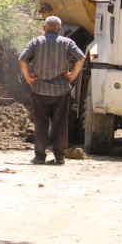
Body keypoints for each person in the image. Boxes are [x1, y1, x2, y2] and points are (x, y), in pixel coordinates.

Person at [17, 16, 86, 165]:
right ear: (59, 30)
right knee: (60, 124)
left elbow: (22, 59)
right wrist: (73, 75)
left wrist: (29, 78)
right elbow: (81, 58)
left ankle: (40, 157)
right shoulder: (68, 43)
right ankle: (60, 157)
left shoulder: (36, 42)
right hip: (61, 90)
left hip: (40, 89)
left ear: (44, 28)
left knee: (41, 123)